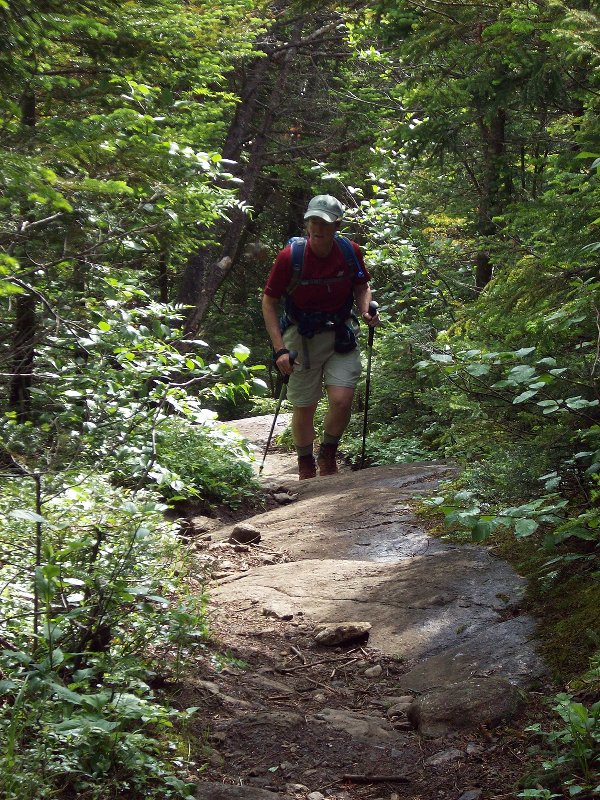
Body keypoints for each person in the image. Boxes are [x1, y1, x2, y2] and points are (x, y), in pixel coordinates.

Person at [261, 194, 380, 479]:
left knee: (342, 398)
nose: (317, 227)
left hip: (339, 332)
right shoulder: (291, 257)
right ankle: (305, 463)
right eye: (313, 220)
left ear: (336, 225)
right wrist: (279, 349)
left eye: (324, 222)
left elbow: (362, 286)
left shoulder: (349, 251)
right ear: (307, 223)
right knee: (305, 404)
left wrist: (366, 311)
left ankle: (328, 453)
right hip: (301, 336)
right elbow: (269, 301)